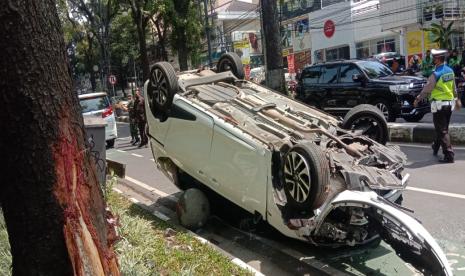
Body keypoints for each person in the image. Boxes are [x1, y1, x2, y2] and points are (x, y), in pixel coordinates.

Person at [414, 49, 460, 163]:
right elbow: (454, 87)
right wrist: (457, 99)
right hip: (449, 104)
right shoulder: (450, 71)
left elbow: (426, 90)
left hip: (439, 105)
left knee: (442, 130)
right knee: (442, 128)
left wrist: (417, 99)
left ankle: (449, 155)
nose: (433, 59)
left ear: (438, 59)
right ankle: (436, 146)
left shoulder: (436, 74)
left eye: (434, 58)